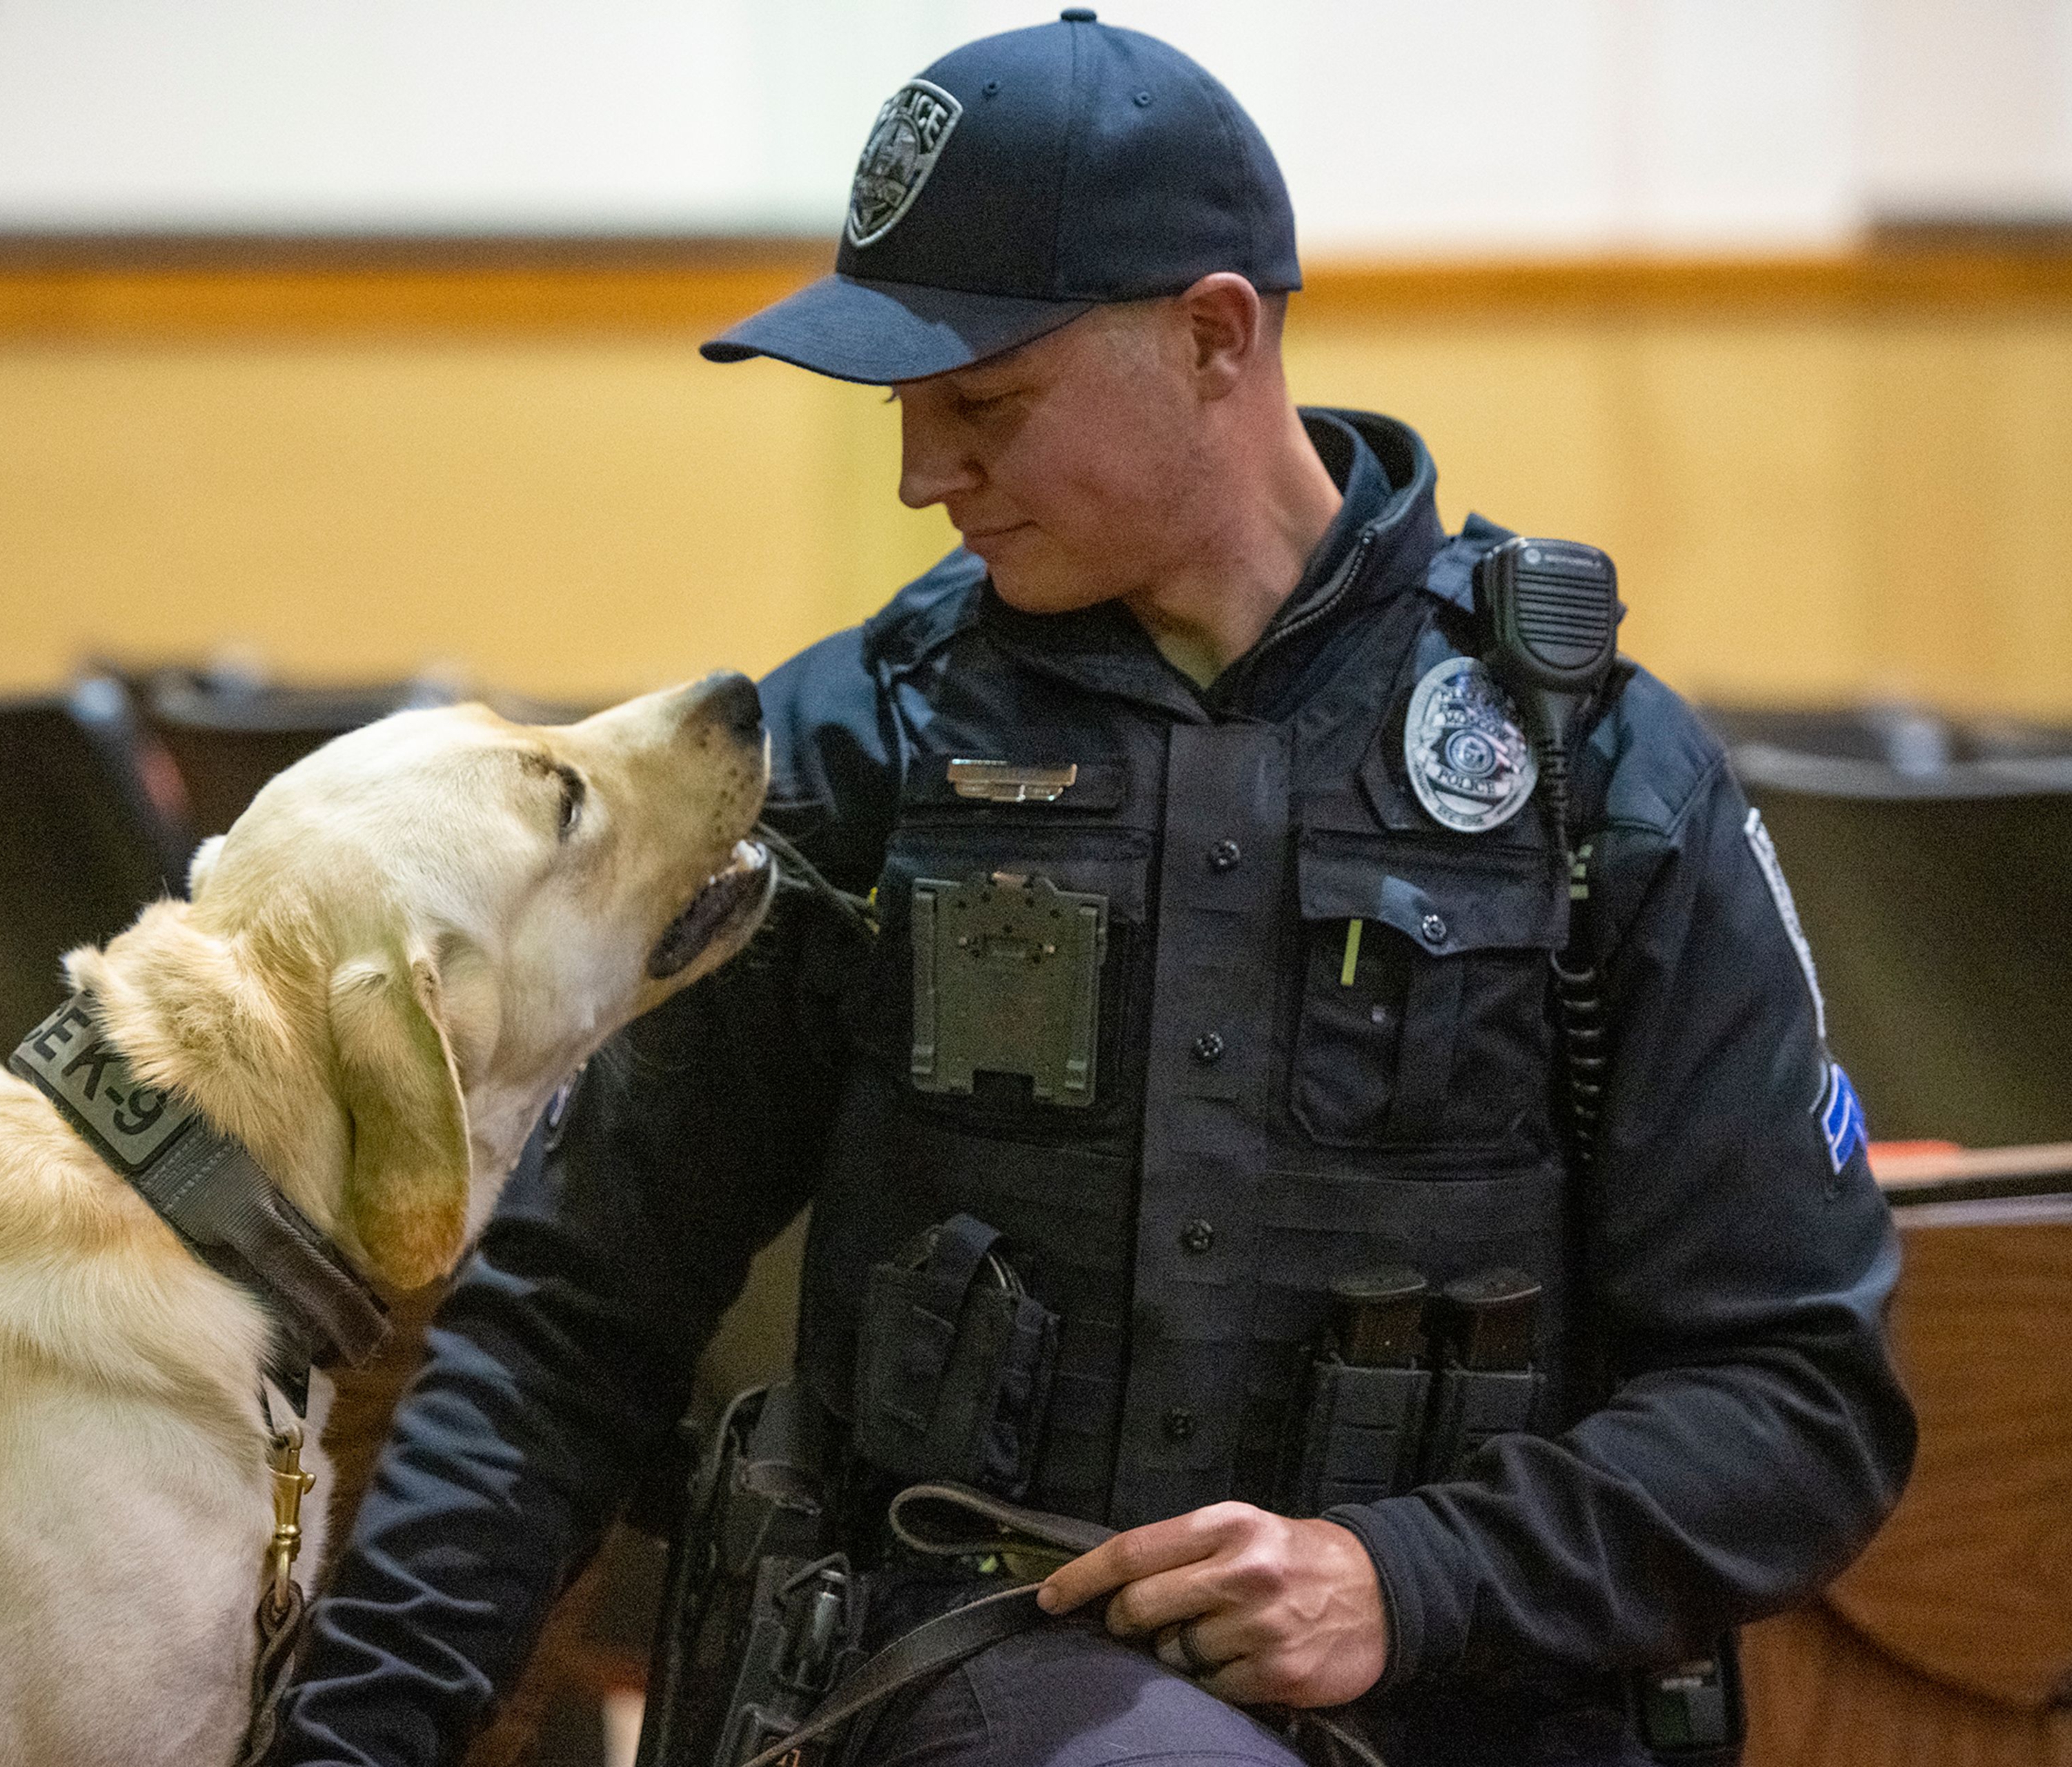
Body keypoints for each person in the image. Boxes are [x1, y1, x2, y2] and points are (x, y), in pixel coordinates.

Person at [270, 13, 1915, 1766]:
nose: (923, 475)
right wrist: (352, 1751)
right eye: (905, 409)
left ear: (1215, 335)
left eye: (985, 403)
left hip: (1475, 1687)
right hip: (979, 1667)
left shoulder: (1590, 771)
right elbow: (564, 1330)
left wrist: (1409, 1577)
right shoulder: (858, 753)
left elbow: (1800, 1401)